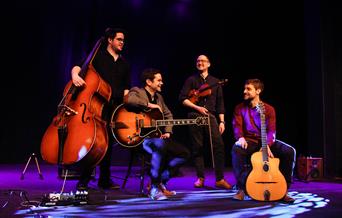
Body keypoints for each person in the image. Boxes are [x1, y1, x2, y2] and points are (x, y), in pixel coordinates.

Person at [71, 27, 131, 190]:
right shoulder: (97, 56)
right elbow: (78, 67)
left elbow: (126, 89)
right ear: (110, 40)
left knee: (107, 144)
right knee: (92, 142)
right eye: (119, 39)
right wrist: (75, 76)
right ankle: (83, 180)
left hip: (114, 107)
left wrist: (126, 106)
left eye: (123, 40)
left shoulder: (125, 64)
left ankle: (104, 179)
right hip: (95, 105)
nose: (122, 42)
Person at [124, 68, 189, 200]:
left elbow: (168, 115)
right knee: (160, 145)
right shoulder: (137, 91)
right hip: (138, 139)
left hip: (156, 138)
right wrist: (149, 105)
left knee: (184, 153)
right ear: (149, 81)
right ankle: (154, 188)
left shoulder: (159, 97)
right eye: (159, 80)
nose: (162, 83)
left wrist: (168, 131)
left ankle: (160, 182)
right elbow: (129, 100)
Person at [231, 78, 296, 203]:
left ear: (258, 91)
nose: (244, 91)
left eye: (248, 89)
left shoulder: (269, 109)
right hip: (249, 141)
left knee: (289, 151)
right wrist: (240, 138)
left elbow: (272, 131)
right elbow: (237, 126)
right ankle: (242, 189)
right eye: (244, 88)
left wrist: (267, 145)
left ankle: (283, 190)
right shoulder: (239, 108)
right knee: (236, 149)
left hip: (266, 142)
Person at [178, 54, 232, 189]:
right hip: (194, 115)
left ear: (209, 64)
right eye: (198, 61)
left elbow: (220, 103)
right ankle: (200, 177)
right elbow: (182, 99)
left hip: (211, 116)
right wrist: (197, 107)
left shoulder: (216, 82)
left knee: (218, 146)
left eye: (203, 61)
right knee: (197, 147)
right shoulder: (191, 80)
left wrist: (222, 122)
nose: (200, 63)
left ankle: (220, 179)